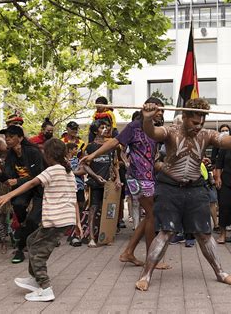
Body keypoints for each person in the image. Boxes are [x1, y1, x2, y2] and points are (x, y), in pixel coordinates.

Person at [135, 98, 231, 291]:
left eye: (202, 122)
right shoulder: (171, 132)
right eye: (195, 122)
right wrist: (147, 119)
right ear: (184, 116)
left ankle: (220, 272)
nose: (199, 126)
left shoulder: (207, 135)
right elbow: (152, 133)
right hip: (169, 188)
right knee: (166, 232)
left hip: (195, 189)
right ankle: (146, 275)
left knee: (204, 234)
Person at [0, 138, 82, 302]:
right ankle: (35, 279)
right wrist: (78, 222)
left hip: (56, 219)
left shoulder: (53, 170)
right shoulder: (67, 171)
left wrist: (8, 195)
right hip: (64, 218)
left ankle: (45, 287)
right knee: (32, 240)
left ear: (48, 155)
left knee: (37, 251)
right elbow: (74, 198)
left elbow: (31, 183)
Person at [81, 98, 166, 267]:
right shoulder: (134, 126)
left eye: (163, 111)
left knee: (149, 216)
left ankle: (128, 253)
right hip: (137, 177)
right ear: (148, 109)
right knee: (152, 215)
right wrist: (92, 155)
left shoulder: (156, 130)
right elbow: (115, 142)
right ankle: (152, 259)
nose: (161, 114)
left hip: (148, 177)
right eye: (158, 110)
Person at [0, 125, 45, 263]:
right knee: (18, 204)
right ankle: (23, 230)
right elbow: (8, 178)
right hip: (23, 189)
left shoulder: (33, 152)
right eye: (6, 137)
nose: (8, 140)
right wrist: (0, 172)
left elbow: (38, 176)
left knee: (33, 220)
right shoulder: (10, 155)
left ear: (21, 138)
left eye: (11, 137)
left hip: (39, 189)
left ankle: (21, 248)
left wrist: (17, 180)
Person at [82, 116, 121, 247]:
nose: (106, 129)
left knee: (109, 210)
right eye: (102, 127)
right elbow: (85, 164)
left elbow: (115, 164)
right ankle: (91, 238)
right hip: (95, 183)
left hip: (109, 183)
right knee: (93, 209)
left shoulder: (111, 146)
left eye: (107, 127)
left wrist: (118, 179)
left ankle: (106, 236)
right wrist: (94, 176)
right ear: (95, 131)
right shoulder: (89, 147)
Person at [66, 142, 86, 247]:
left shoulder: (78, 160)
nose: (76, 150)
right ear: (69, 150)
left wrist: (71, 172)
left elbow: (82, 171)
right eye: (74, 148)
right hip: (69, 188)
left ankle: (79, 226)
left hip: (80, 187)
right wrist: (75, 172)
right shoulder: (63, 161)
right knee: (72, 208)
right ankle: (72, 230)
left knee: (81, 205)